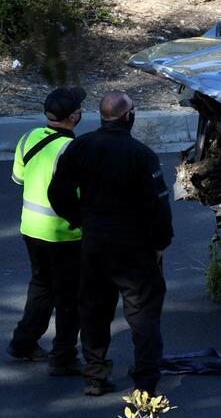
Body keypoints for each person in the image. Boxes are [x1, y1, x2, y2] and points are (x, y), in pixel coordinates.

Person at [48, 91, 173, 397]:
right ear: (128, 117)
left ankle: (94, 375)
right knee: (143, 317)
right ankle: (144, 385)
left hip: (94, 245)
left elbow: (57, 193)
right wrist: (160, 243)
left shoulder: (80, 147)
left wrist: (80, 219)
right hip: (135, 249)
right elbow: (158, 206)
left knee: (93, 311)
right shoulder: (141, 154)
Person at [7, 87, 85, 376]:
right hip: (64, 234)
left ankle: (24, 342)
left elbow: (19, 179)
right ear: (74, 117)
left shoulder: (28, 138)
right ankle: (63, 357)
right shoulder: (71, 150)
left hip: (31, 229)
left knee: (41, 286)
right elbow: (80, 195)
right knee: (69, 296)